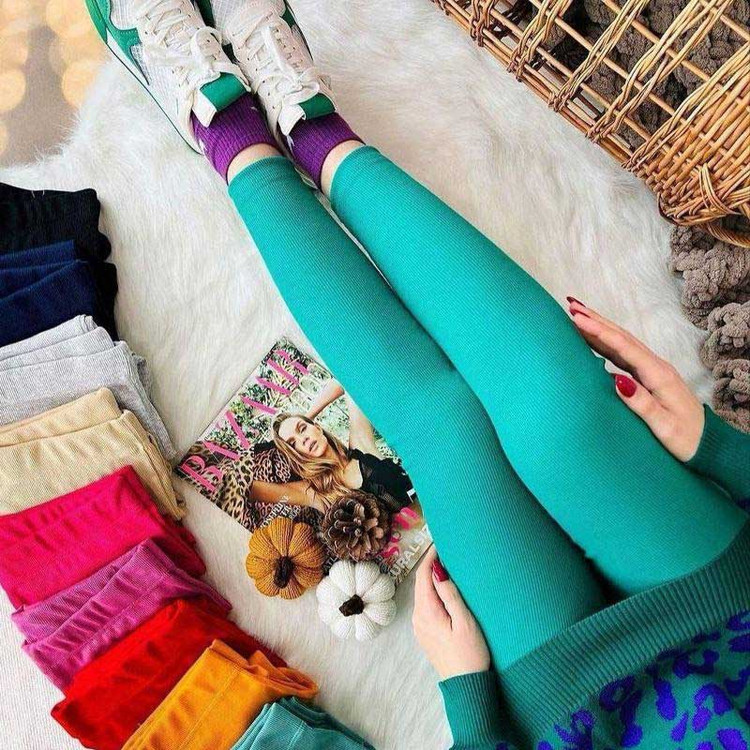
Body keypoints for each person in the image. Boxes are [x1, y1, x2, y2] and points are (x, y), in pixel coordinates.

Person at [88, 0, 750, 746]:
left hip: (573, 715)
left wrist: (468, 702)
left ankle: (230, 134)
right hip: (731, 613)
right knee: (559, 409)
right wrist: (722, 452)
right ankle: (312, 126)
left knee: (449, 436)